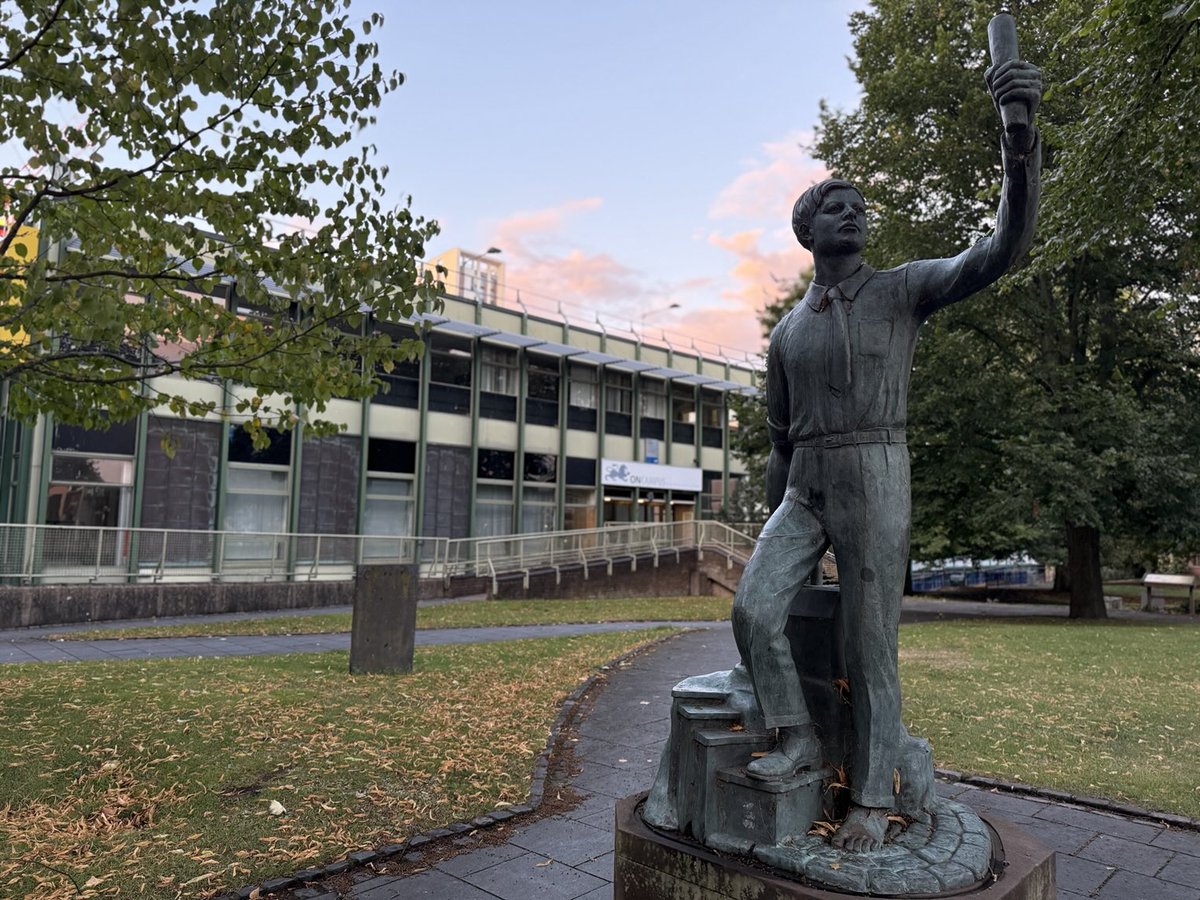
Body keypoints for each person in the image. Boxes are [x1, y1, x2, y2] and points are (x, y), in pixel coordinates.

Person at [730, 58, 1042, 853]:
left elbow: (999, 250)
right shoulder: (787, 333)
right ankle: (796, 735)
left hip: (876, 470)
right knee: (755, 608)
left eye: (861, 207)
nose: (856, 215)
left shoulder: (902, 289)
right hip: (805, 484)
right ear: (808, 230)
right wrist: (781, 522)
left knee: (871, 643)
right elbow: (776, 437)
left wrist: (1019, 145)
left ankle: (872, 799)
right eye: (838, 207)